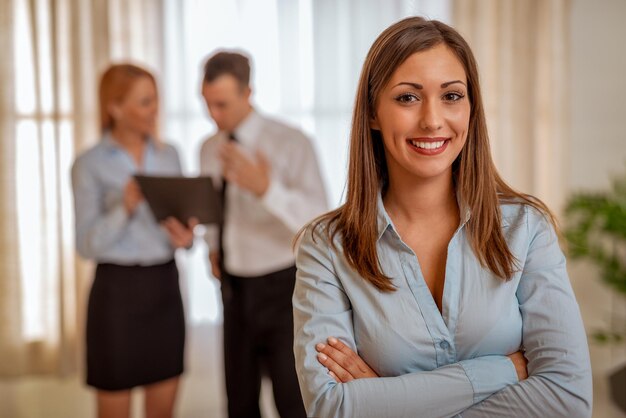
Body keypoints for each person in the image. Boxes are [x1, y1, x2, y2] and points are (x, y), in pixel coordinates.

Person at [293, 16, 592, 418]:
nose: (433, 119)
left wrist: (384, 399)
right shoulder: (326, 246)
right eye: (407, 98)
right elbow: (332, 407)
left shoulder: (526, 229)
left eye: (451, 96)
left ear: (471, 108)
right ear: (372, 113)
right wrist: (503, 370)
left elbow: (567, 399)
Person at [198, 50, 327, 418]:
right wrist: (211, 246)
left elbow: (319, 222)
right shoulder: (208, 149)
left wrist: (265, 188)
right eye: (207, 104)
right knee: (239, 402)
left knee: (292, 398)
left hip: (284, 288)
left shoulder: (291, 142)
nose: (213, 115)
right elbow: (212, 212)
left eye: (221, 104)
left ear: (248, 92)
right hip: (233, 289)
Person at [71, 63, 196, 418]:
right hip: (116, 296)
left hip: (164, 289)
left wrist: (186, 239)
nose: (154, 110)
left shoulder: (170, 155)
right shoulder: (89, 164)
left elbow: (185, 231)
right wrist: (124, 208)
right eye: (144, 102)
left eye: (155, 100)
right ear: (115, 107)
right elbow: (85, 246)